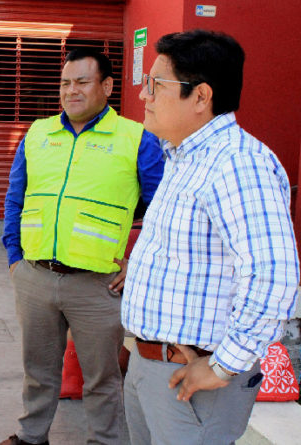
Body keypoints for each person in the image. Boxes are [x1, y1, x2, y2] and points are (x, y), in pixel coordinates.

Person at [122, 29, 299, 444]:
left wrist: (223, 366)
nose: (144, 96)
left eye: (155, 85)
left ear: (201, 97)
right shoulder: (182, 157)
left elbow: (273, 276)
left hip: (193, 379)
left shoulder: (237, 164)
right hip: (153, 365)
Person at [0, 48, 164, 445]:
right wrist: (14, 259)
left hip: (98, 285)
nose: (71, 91)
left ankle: (104, 441)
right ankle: (31, 436)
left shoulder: (136, 138)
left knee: (101, 377)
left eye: (82, 82)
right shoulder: (38, 134)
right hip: (36, 277)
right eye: (65, 83)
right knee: (37, 369)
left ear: (107, 86)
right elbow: (15, 197)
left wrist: (137, 261)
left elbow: (165, 209)